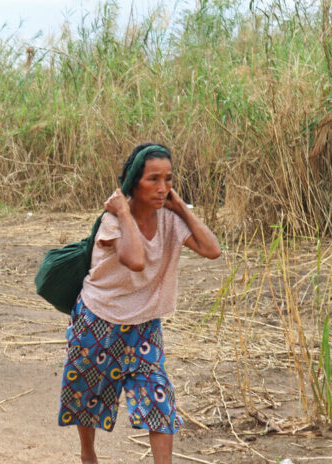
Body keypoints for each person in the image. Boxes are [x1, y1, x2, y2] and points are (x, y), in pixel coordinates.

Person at [58, 143, 221, 464]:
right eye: (153, 179)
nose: (163, 188)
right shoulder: (112, 220)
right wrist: (121, 210)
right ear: (134, 182)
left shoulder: (170, 221)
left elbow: (212, 249)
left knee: (159, 401)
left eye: (169, 179)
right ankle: (88, 454)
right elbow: (134, 259)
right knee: (87, 398)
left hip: (144, 329)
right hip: (97, 321)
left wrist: (182, 209)